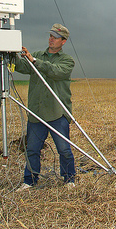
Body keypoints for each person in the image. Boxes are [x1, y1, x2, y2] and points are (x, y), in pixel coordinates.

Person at [14, 23, 76, 191]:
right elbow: (22, 67)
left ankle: (69, 179)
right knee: (32, 149)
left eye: (55, 37)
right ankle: (30, 181)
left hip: (57, 112)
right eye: (50, 36)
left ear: (63, 41)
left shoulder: (67, 60)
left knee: (64, 149)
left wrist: (34, 61)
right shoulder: (35, 55)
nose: (51, 39)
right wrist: (13, 55)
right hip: (37, 112)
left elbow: (56, 71)